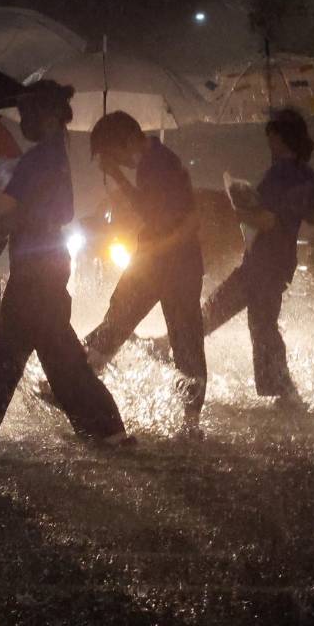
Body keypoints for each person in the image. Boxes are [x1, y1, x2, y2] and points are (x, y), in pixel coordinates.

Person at [0, 81, 132, 447]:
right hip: (48, 260)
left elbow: (4, 210)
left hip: (35, 265)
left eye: (28, 114)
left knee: (31, 345)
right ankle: (103, 425)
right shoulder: (57, 156)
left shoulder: (37, 160)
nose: (23, 122)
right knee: (40, 344)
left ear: (48, 115)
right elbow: (64, 210)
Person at [77, 110, 207, 431]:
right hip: (176, 261)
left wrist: (120, 180)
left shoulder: (154, 165)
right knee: (184, 338)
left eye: (111, 155)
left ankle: (73, 385)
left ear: (124, 142)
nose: (116, 164)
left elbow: (155, 214)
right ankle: (191, 420)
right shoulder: (159, 160)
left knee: (120, 320)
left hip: (163, 262)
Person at [201, 107, 314, 411]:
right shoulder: (307, 174)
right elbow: (312, 216)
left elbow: (266, 220)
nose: (268, 144)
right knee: (262, 322)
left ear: (279, 137)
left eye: (270, 137)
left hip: (263, 258)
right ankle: (284, 391)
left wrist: (235, 210)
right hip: (282, 259)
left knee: (229, 308)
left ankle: (171, 342)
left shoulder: (279, 173)